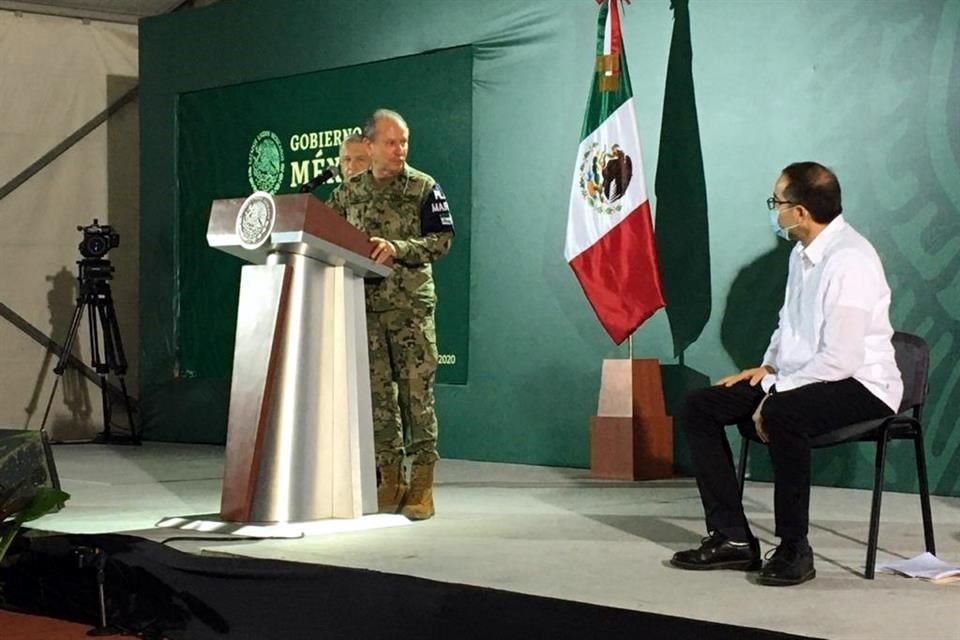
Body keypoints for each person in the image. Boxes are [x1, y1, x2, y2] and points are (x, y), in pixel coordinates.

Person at [670, 162, 902, 586]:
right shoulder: (801, 253)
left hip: (863, 385)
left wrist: (774, 394)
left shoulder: (850, 260)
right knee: (700, 406)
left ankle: (796, 548)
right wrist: (768, 368)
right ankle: (733, 539)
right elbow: (788, 324)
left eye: (776, 201)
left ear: (799, 212)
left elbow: (842, 360)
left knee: (782, 415)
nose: (772, 210)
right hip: (797, 376)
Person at [328, 109, 454, 520]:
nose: (399, 150)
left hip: (409, 310)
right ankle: (390, 479)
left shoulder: (424, 187)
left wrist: (399, 249)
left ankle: (421, 485)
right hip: (364, 308)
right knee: (379, 400)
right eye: (390, 142)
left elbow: (441, 242)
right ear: (368, 145)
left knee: (416, 396)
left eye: (403, 142)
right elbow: (326, 235)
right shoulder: (348, 194)